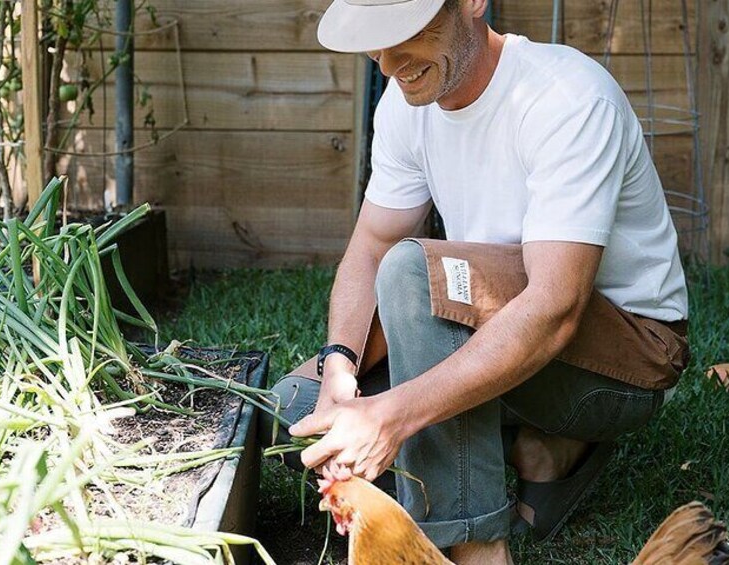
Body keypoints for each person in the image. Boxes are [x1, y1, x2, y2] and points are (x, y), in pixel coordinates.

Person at [258, 0, 690, 563]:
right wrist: (340, 366)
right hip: (481, 327)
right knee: (296, 409)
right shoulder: (405, 101)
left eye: (405, 32)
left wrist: (390, 416)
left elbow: (555, 307)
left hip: (622, 360)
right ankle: (541, 454)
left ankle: (474, 545)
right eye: (374, 41)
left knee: (417, 275)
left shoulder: (568, 98)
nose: (388, 64)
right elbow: (370, 247)